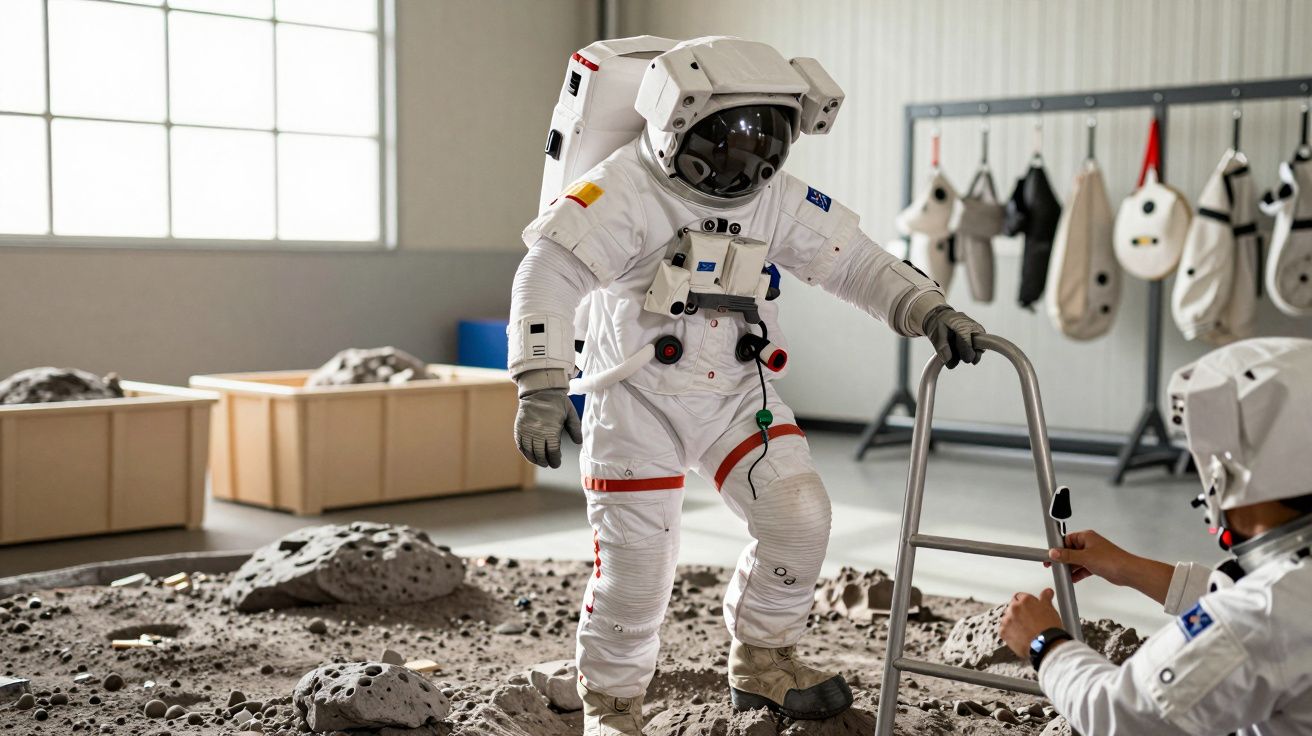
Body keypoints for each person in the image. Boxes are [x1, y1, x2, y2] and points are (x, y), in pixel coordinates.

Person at [508, 36, 986, 735]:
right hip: (636, 399)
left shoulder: (774, 198)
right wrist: (542, 385)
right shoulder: (622, 189)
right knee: (637, 572)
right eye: (727, 147)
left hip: (738, 391)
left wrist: (927, 307)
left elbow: (853, 261)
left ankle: (763, 658)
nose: (746, 166)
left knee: (800, 518)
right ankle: (611, 704)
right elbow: (548, 272)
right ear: (676, 124)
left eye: (766, 147)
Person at [1000, 337, 1312, 735]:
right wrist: (1128, 568)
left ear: (1226, 474)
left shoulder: (1262, 616)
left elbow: (1122, 715)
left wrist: (1044, 642)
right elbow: (1258, 608)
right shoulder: (1282, 599)